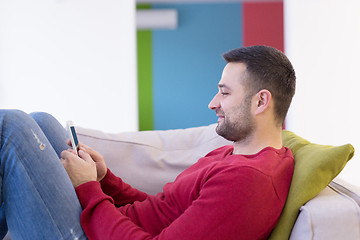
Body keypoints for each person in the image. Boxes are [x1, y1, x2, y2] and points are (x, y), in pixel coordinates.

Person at [0, 45, 296, 240]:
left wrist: (87, 189)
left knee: (11, 127)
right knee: (42, 121)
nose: (212, 103)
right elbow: (161, 209)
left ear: (260, 101)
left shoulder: (249, 182)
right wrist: (104, 180)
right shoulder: (232, 154)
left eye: (225, 93)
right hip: (107, 226)